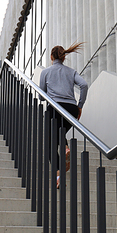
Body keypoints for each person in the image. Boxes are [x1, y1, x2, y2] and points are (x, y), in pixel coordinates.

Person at [39, 42, 88, 187]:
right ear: (64, 58)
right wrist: (80, 106)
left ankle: (58, 176)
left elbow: (42, 96)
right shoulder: (71, 71)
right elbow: (84, 85)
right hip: (71, 109)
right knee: (59, 133)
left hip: (55, 108)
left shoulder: (45, 72)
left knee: (49, 144)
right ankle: (65, 147)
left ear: (51, 57)